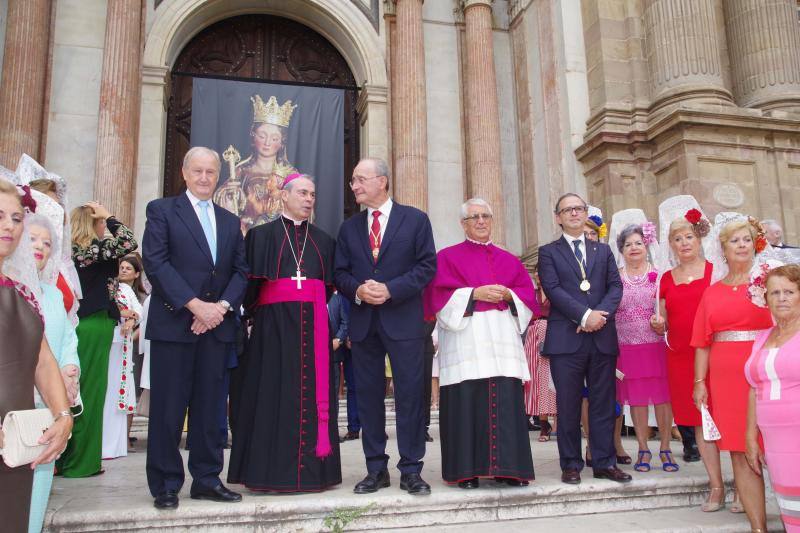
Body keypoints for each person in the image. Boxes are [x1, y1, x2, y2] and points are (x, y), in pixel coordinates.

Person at [142, 146, 248, 510]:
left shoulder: (231, 220)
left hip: (216, 328)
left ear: (218, 176)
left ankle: (206, 478)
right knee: (169, 410)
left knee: (209, 410)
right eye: (198, 171)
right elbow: (156, 263)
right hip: (176, 324)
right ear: (185, 173)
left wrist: (219, 308)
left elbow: (240, 271)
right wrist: (195, 305)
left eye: (211, 172)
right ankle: (166, 483)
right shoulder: (161, 211)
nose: (205, 178)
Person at [228, 173, 341, 492]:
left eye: (313, 194)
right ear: (285, 196)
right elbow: (249, 290)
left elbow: (329, 288)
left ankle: (315, 473)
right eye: (303, 193)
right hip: (272, 331)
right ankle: (269, 472)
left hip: (315, 329)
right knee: (271, 394)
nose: (309, 199)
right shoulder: (260, 236)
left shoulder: (324, 240)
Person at [334, 158, 437, 495]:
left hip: (404, 321)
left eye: (360, 179)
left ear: (382, 181)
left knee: (409, 396)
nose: (354, 186)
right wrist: (358, 290)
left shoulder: (416, 220)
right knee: (367, 398)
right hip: (364, 325)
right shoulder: (349, 228)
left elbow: (426, 267)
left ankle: (411, 469)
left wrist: (392, 289)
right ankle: (375, 468)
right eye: (352, 181)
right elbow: (340, 273)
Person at [425, 198, 537, 489]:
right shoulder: (447, 257)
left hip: (502, 340)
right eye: (474, 217)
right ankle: (467, 471)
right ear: (463, 224)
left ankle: (508, 469)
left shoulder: (509, 259)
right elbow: (437, 297)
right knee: (466, 401)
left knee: (505, 402)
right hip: (466, 338)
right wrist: (474, 294)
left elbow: (528, 295)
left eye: (485, 216)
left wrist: (509, 296)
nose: (481, 221)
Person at [537, 193, 631, 485]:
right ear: (558, 217)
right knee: (569, 404)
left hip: (601, 335)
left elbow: (615, 286)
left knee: (604, 402)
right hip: (567, 339)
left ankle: (604, 462)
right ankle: (571, 464)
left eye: (578, 209)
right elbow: (553, 289)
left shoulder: (602, 252)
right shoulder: (548, 252)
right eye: (567, 210)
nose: (574, 214)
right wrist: (583, 316)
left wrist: (597, 316)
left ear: (585, 213)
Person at [691, 214, 773, 531]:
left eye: (746, 239)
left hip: (766, 375)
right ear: (723, 248)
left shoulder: (771, 282)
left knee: (778, 447)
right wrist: (700, 382)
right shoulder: (712, 292)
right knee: (740, 451)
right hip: (726, 380)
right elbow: (702, 342)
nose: (741, 245)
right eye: (734, 240)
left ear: (756, 245)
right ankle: (758, 527)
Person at [0, 179, 73, 532]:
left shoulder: (22, 292)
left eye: (16, 218)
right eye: (0, 216)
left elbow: (43, 360)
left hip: (14, 445)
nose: (9, 226)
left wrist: (63, 416)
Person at [56, 201, 137, 478]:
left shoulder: (71, 251)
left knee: (69, 391)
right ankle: (82, 463)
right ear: (94, 223)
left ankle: (63, 458)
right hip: (94, 324)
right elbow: (129, 241)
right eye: (101, 222)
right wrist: (110, 216)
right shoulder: (97, 249)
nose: (105, 227)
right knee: (90, 392)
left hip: (76, 322)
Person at [652, 197, 723, 510]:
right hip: (681, 356)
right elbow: (663, 322)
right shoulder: (665, 279)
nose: (683, 243)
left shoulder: (715, 272)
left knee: (729, 419)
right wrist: (657, 325)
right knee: (699, 421)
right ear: (670, 244)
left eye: (689, 237)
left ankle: (744, 485)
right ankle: (717, 486)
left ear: (699, 238)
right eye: (677, 239)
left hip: (717, 355)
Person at [610, 220, 675, 472]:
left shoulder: (660, 275)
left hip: (656, 346)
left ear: (646, 245)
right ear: (622, 249)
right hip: (626, 347)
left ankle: (666, 447)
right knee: (636, 400)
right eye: (628, 244)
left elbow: (670, 309)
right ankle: (643, 448)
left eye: (638, 243)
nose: (634, 248)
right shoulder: (615, 278)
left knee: (662, 398)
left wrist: (664, 322)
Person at [745, 264, 800, 533]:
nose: (781, 298)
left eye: (789, 291)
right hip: (775, 442)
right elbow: (755, 388)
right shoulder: (762, 337)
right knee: (791, 510)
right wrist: (750, 436)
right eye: (774, 292)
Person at [214, 95, 299, 229]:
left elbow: (301, 210)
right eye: (262, 136)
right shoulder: (242, 170)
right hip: (249, 235)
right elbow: (225, 207)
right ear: (253, 137)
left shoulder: (291, 174)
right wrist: (232, 195)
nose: (267, 143)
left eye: (274, 138)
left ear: (282, 142)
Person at [523, 266, 557, 441]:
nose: (538, 274)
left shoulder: (555, 290)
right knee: (535, 381)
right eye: (536, 271)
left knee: (553, 379)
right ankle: (543, 425)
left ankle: (558, 422)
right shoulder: (531, 292)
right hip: (532, 336)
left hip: (553, 335)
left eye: (541, 270)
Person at [329, 289, 360, 443]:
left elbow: (345, 320)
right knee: (352, 388)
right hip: (345, 347)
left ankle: (374, 427)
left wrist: (340, 338)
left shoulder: (340, 297)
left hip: (363, 343)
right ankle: (353, 428)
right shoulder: (340, 294)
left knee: (373, 387)